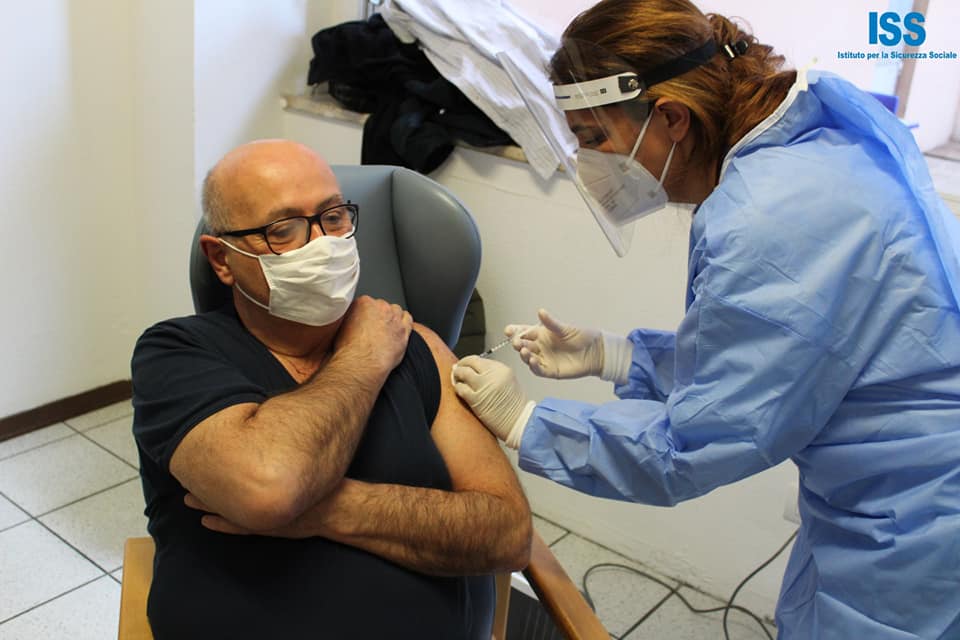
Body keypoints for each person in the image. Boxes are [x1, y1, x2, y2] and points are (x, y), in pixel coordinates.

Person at [453, 1, 960, 638]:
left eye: (595, 138)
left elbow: (695, 445)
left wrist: (527, 423)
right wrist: (617, 355)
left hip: (916, 517)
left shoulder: (768, 219)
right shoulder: (808, 149)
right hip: (895, 489)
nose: (590, 165)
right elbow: (776, 352)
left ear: (671, 117)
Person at [131, 139, 532, 640]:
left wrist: (321, 511)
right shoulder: (175, 352)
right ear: (222, 259)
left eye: (334, 217)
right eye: (283, 229)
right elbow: (271, 488)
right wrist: (363, 357)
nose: (323, 244)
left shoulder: (417, 347)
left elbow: (507, 533)